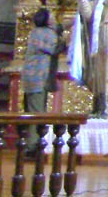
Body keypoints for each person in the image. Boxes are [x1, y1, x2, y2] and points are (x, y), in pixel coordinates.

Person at [21, 8, 66, 149]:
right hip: (37, 78)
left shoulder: (37, 31)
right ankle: (33, 145)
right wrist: (66, 40)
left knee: (34, 110)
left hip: (35, 77)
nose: (53, 18)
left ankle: (33, 143)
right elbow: (54, 48)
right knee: (37, 113)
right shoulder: (43, 33)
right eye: (51, 16)